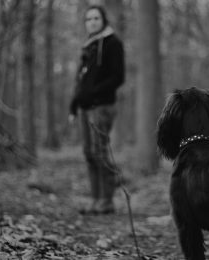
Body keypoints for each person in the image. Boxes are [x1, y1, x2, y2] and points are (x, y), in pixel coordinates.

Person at [69, 5, 125, 214]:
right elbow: (80, 79)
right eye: (88, 19)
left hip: (101, 107)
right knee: (89, 153)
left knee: (100, 152)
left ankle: (107, 201)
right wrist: (74, 105)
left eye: (96, 18)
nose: (92, 22)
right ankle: (95, 200)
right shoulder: (89, 46)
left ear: (103, 20)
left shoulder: (113, 43)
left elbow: (118, 77)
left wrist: (94, 92)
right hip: (84, 108)